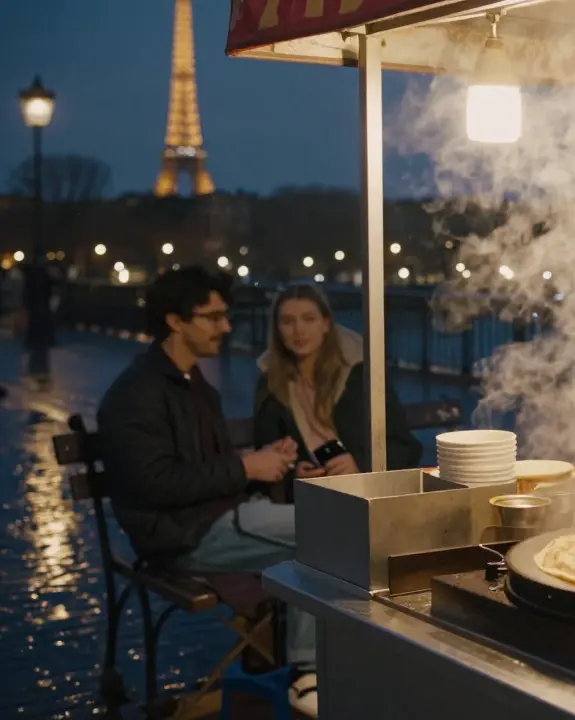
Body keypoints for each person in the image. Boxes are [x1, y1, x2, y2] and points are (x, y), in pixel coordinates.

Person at [97, 267, 319, 714]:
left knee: (327, 531)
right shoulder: (137, 393)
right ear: (176, 321)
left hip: (216, 518)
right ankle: (306, 675)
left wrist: (261, 459)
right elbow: (154, 484)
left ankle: (312, 671)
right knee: (324, 536)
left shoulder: (191, 384)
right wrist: (245, 467)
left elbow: (203, 468)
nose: (226, 326)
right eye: (213, 317)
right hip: (181, 535)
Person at [253, 283, 422, 495]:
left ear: (326, 324)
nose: (299, 330)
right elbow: (267, 451)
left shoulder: (360, 373)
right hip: (309, 496)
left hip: (366, 490)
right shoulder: (270, 382)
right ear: (277, 329)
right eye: (288, 321)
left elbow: (404, 447)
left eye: (309, 319)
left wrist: (359, 464)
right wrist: (295, 473)